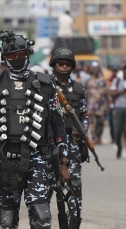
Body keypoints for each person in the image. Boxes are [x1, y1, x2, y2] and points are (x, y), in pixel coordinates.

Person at [0, 30, 69, 228]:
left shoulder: (46, 86)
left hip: (38, 157)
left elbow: (58, 125)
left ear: (28, 54)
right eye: (11, 56)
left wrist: (64, 161)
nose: (16, 59)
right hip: (5, 158)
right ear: (4, 58)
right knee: (7, 219)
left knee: (41, 216)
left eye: (20, 54)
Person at [50, 47, 88, 228]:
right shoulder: (45, 86)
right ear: (54, 65)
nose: (64, 67)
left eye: (68, 64)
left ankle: (74, 220)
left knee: (74, 185)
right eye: (60, 63)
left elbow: (85, 115)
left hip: (72, 143)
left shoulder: (79, 88)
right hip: (50, 144)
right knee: (48, 185)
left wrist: (81, 131)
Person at [85, 62, 109, 144]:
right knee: (92, 122)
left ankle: (99, 136)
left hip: (101, 106)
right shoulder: (88, 81)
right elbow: (85, 94)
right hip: (91, 106)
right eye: (93, 68)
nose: (95, 70)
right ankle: (94, 138)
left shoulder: (103, 80)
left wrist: (108, 105)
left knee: (101, 122)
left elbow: (107, 93)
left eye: (96, 68)